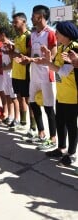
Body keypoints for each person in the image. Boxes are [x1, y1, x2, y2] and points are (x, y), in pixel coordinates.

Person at [36, 21, 78, 166]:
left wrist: (48, 64)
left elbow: (66, 72)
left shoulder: (74, 47)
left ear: (66, 34)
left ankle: (71, 154)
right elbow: (57, 67)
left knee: (71, 125)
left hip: (72, 95)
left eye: (58, 32)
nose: (56, 35)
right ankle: (61, 148)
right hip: (61, 93)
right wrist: (48, 59)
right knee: (60, 123)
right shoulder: (60, 48)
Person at [22, 5, 57, 150]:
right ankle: (41, 133)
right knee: (33, 103)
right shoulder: (33, 34)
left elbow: (53, 56)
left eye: (33, 15)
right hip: (34, 75)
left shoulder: (50, 33)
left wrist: (41, 59)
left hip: (46, 75)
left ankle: (53, 138)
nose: (31, 18)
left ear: (40, 17)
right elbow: (32, 55)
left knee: (49, 108)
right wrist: (26, 59)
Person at [9, 13, 36, 135]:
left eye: (16, 22)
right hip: (16, 73)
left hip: (26, 73)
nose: (14, 24)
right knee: (20, 98)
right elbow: (15, 54)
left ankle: (34, 127)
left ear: (23, 22)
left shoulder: (29, 36)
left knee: (29, 100)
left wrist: (15, 54)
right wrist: (10, 51)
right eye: (13, 22)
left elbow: (29, 56)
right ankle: (23, 122)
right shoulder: (16, 37)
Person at [0, 27, 20, 127]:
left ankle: (17, 118)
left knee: (14, 97)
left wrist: (2, 68)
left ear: (3, 35)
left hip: (11, 74)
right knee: (7, 96)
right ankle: (10, 116)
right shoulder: (2, 46)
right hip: (5, 74)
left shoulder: (11, 45)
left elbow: (12, 64)